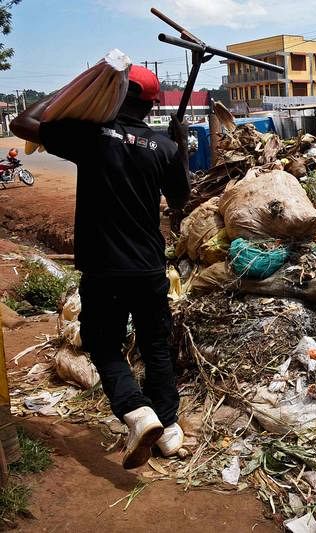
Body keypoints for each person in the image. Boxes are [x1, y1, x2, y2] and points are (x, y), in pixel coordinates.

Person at [11, 66, 191, 469]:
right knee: (155, 345)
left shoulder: (91, 135)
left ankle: (136, 412)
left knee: (103, 344)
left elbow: (22, 123)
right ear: (151, 106)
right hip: (149, 268)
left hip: (105, 268)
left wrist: (75, 89)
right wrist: (179, 145)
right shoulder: (164, 147)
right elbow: (181, 199)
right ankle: (169, 427)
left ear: (115, 95)